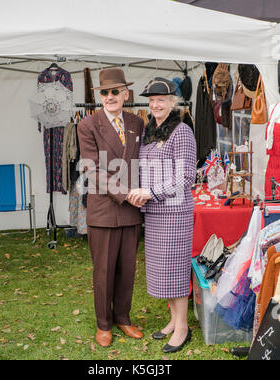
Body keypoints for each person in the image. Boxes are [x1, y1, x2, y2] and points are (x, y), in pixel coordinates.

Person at [128, 77, 196, 353]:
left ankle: (182, 328)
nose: (155, 104)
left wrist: (151, 192)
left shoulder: (181, 131)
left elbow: (187, 176)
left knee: (175, 270)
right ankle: (173, 320)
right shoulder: (150, 130)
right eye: (152, 100)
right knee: (163, 269)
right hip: (155, 211)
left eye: (161, 100)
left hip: (175, 210)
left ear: (172, 102)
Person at [77, 68, 145, 347]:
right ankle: (103, 324)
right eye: (104, 92)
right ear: (99, 97)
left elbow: (143, 161)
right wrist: (127, 194)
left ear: (125, 94)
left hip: (131, 212)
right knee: (103, 271)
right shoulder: (87, 125)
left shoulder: (137, 123)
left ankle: (123, 318)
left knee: (127, 269)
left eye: (115, 91)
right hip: (104, 210)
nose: (109, 97)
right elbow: (91, 171)